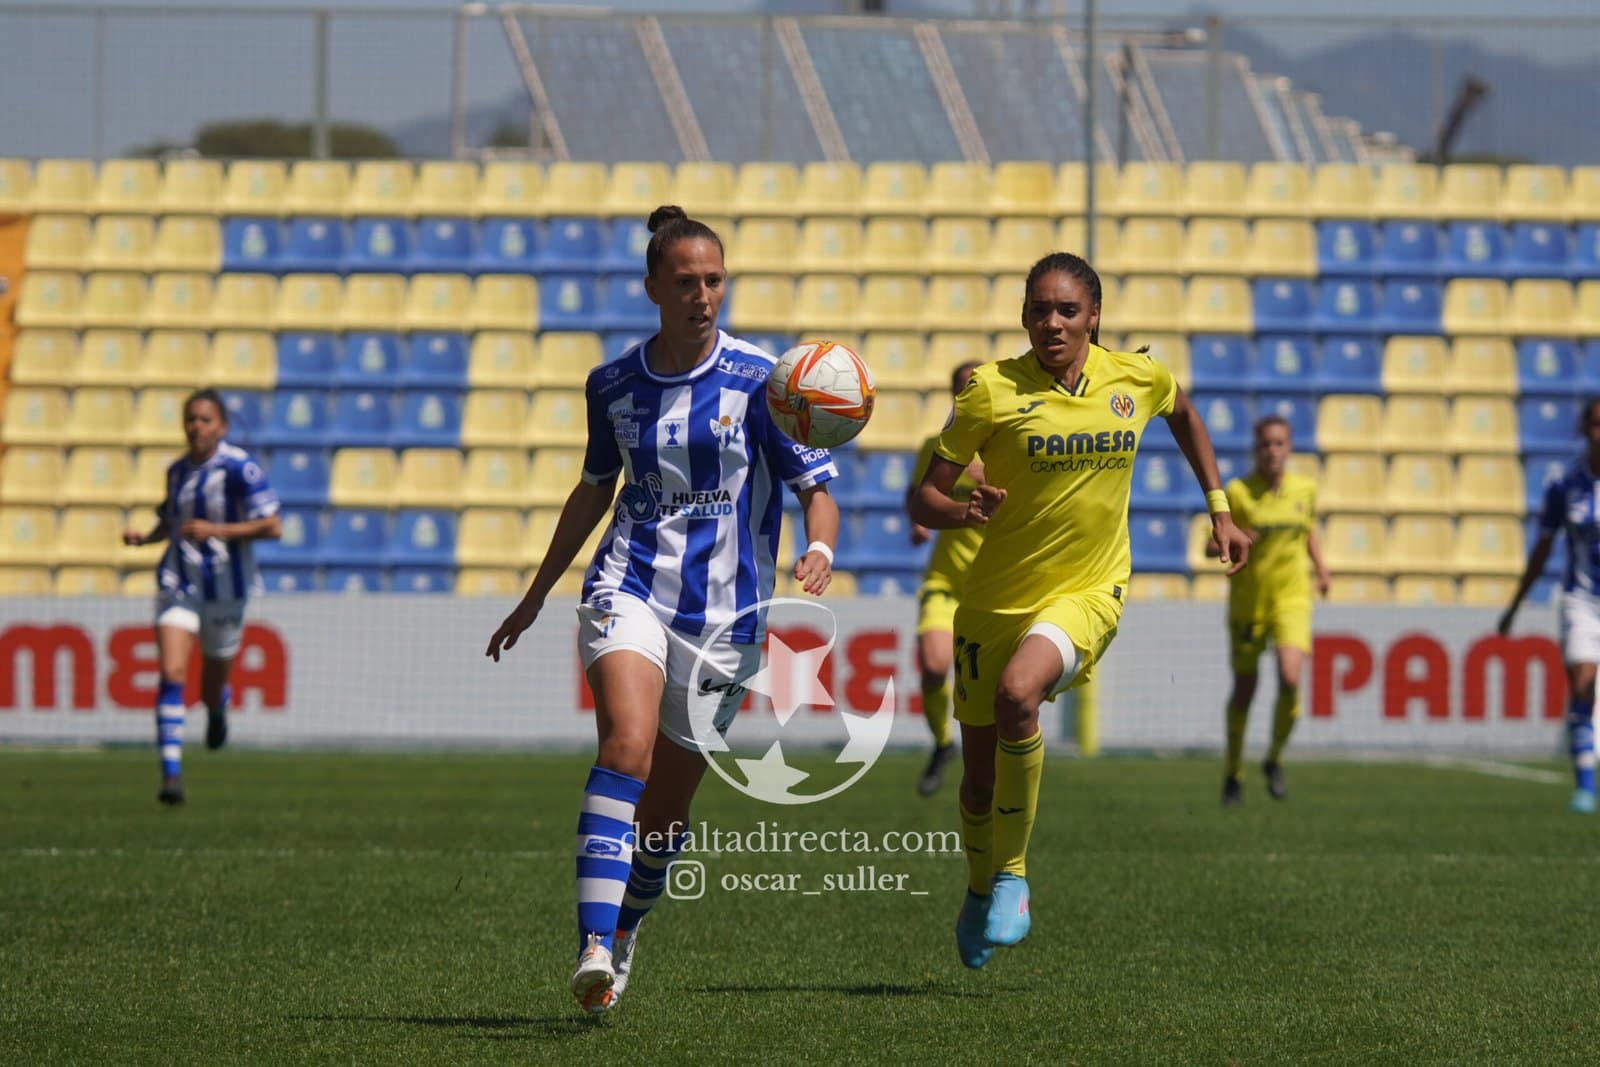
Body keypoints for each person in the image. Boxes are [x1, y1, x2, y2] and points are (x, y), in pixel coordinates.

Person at [485, 205, 839, 1014]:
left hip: (727, 620)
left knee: (668, 813)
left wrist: (820, 548)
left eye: (714, 280)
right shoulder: (612, 385)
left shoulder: (765, 382)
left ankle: (630, 921)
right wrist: (537, 593)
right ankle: (595, 942)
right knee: (626, 742)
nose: (703, 295)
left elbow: (817, 490)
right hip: (628, 588)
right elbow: (593, 489)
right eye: (686, 281)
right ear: (653, 287)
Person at [910, 251, 1251, 970]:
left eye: (1067, 309)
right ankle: (977, 888)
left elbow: (1185, 415)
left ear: (1094, 315)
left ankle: (1012, 874)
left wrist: (1219, 508)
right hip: (993, 601)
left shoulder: (1137, 376)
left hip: (1089, 591)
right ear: (1023, 317)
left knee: (1017, 693)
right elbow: (922, 497)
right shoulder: (989, 393)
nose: (1052, 322)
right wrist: (960, 509)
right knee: (976, 781)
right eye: (1039, 309)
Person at [122, 389, 282, 805]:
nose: (197, 426)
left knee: (211, 686)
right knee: (173, 673)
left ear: (221, 426)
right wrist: (145, 539)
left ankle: (215, 710)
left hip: (226, 591)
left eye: (205, 420)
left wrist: (218, 531)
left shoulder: (239, 469)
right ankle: (171, 775)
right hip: (179, 583)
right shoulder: (177, 472)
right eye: (191, 419)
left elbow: (272, 525)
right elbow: (171, 521)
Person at [1213, 414, 1330, 807]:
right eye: (1265, 444)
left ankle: (1274, 758)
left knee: (1290, 677)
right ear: (1255, 448)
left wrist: (1323, 568)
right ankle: (1233, 772)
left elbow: (1308, 530)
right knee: (1245, 690)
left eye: (1279, 443)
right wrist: (1238, 537)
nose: (1272, 451)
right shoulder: (1239, 492)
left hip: (1292, 598)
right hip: (1249, 601)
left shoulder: (1305, 489)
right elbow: (1211, 546)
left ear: (1289, 447)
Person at [1499, 396, 1600, 815]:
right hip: (1581, 600)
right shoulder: (1566, 486)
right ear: (1583, 430)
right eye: (1595, 424)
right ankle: (1585, 786)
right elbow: (1542, 549)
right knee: (1583, 681)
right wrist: (1515, 605)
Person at [908, 360, 985, 796]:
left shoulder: (1009, 446)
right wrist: (918, 522)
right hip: (946, 581)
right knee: (935, 667)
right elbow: (915, 496)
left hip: (993, 586)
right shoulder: (937, 448)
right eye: (963, 389)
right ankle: (941, 744)